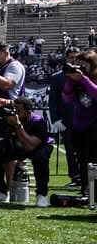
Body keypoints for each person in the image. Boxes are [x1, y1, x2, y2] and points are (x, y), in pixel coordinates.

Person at [0, 97, 53, 206]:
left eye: (18, 111)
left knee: (40, 159)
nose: (15, 112)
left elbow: (30, 146)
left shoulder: (39, 122)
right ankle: (0, 191)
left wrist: (17, 125)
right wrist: (5, 101)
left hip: (38, 146)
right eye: (14, 109)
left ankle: (41, 194)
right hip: (18, 143)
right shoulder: (10, 113)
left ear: (28, 112)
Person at [63, 51, 97, 198]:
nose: (81, 67)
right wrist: (70, 80)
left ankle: (94, 190)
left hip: (95, 124)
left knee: (94, 159)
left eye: (84, 65)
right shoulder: (76, 79)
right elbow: (68, 98)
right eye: (79, 64)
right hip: (79, 124)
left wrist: (83, 79)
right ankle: (85, 188)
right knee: (82, 160)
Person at [47, 49, 81, 187]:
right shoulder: (57, 77)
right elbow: (53, 100)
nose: (73, 60)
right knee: (70, 150)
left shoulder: (84, 76)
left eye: (76, 58)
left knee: (85, 150)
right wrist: (55, 119)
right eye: (71, 57)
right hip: (66, 120)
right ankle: (75, 177)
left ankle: (85, 178)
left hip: (85, 119)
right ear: (66, 59)